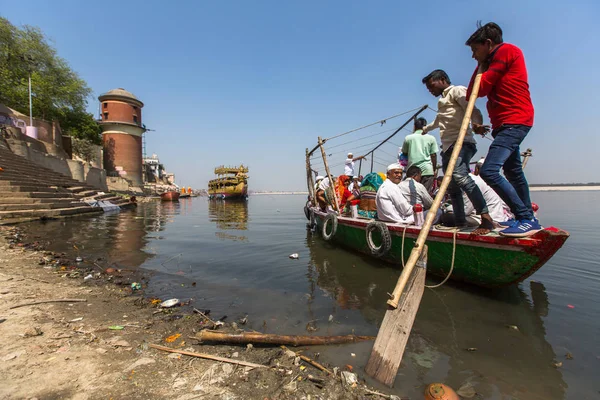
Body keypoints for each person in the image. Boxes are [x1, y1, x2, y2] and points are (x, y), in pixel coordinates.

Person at [465, 22, 541, 237]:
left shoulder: (508, 51)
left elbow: (481, 88)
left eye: (475, 50)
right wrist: (480, 64)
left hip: (515, 120)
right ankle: (527, 218)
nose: (473, 56)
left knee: (489, 170)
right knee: (513, 171)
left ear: (488, 43)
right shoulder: (489, 61)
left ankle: (525, 217)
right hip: (503, 123)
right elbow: (472, 92)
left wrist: (483, 65)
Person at [421, 69, 494, 234]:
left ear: (442, 79)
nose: (430, 90)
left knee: (461, 177)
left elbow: (473, 110)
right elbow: (438, 121)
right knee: (452, 187)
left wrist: (477, 124)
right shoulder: (443, 101)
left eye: (431, 86)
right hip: (447, 148)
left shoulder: (457, 91)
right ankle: (460, 222)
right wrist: (424, 129)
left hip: (461, 143)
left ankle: (486, 218)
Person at [443, 171, 513, 227]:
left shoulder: (467, 183)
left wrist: (446, 208)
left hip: (490, 218)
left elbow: (466, 210)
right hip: (495, 216)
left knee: (448, 217)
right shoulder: (471, 179)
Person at [401, 117, 439, 193]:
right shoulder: (431, 138)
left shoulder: (408, 138)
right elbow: (433, 155)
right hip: (427, 171)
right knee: (424, 195)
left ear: (414, 126)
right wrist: (433, 170)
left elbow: (404, 152)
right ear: (425, 126)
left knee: (411, 195)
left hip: (412, 171)